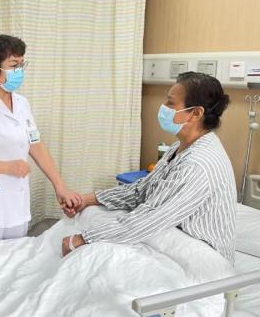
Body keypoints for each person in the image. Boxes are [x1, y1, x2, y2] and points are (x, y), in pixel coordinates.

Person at [62, 72, 237, 263]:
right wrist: (87, 200)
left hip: (204, 257)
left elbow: (152, 218)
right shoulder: (178, 148)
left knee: (97, 253)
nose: (164, 107)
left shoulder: (198, 164)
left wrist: (84, 239)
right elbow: (141, 191)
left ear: (196, 113)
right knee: (92, 214)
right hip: (175, 235)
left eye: (170, 103)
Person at [0, 34, 82, 245]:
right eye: (13, 65)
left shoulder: (22, 104)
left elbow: (35, 145)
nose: (19, 71)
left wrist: (60, 186)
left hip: (17, 205)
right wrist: (7, 167)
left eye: (21, 65)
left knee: (15, 260)